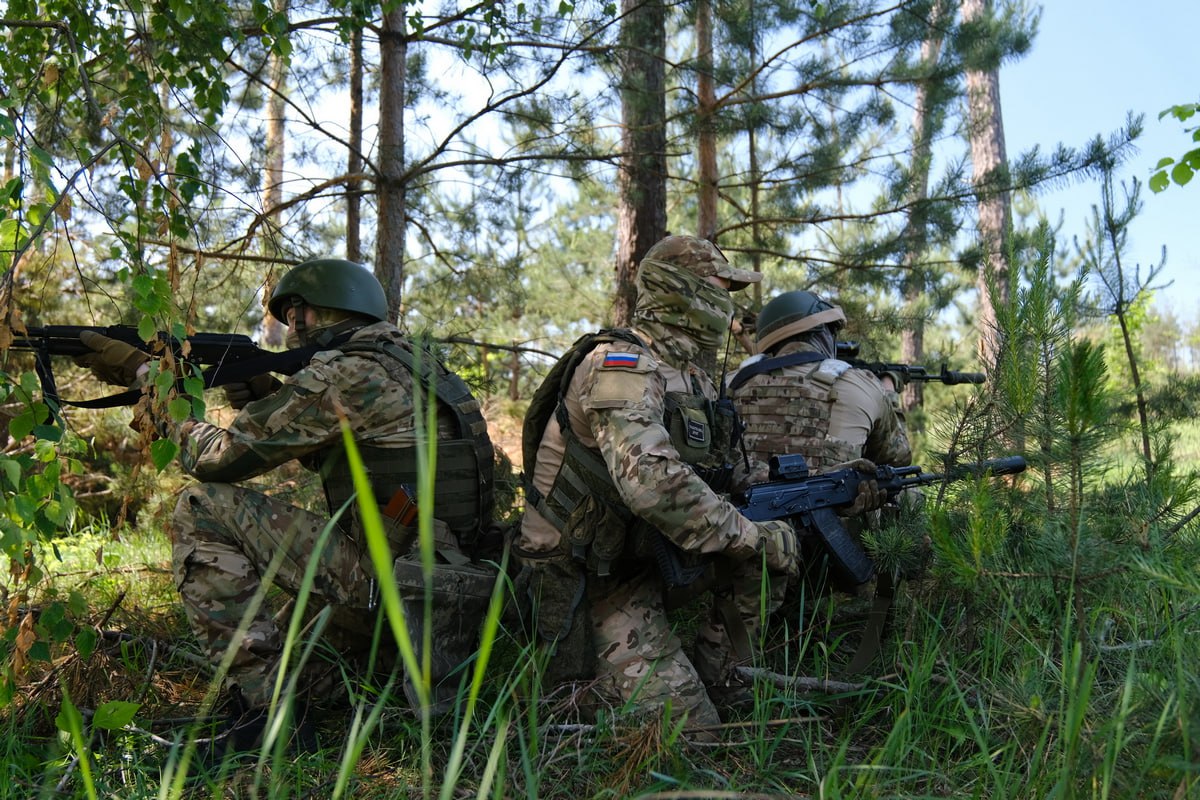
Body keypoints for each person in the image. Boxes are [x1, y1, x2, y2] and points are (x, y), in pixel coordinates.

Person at [72, 257, 496, 757]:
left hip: (393, 589)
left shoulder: (348, 372)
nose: (292, 329)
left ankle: (271, 720)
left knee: (201, 505)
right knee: (302, 665)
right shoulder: (411, 364)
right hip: (444, 593)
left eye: (296, 314)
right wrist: (264, 392)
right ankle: (341, 686)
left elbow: (215, 459)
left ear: (313, 312)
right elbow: (348, 452)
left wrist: (150, 379)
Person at [516, 234, 800, 734]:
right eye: (721, 286)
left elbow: (722, 471)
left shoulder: (692, 377)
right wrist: (751, 536)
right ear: (682, 290)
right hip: (588, 576)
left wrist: (781, 492)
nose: (730, 301)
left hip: (646, 554)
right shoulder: (619, 364)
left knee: (767, 558)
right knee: (691, 736)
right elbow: (651, 483)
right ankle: (593, 692)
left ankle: (724, 680)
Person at [729, 289, 911, 473]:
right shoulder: (862, 383)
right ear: (823, 333)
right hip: (832, 501)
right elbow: (898, 457)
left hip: (732, 501)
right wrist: (888, 390)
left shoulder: (731, 382)